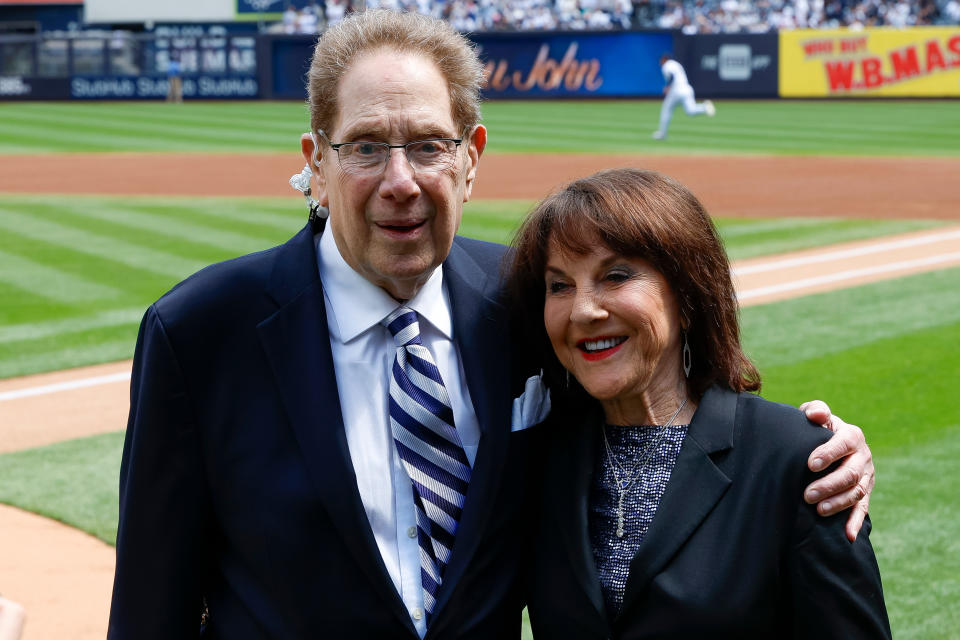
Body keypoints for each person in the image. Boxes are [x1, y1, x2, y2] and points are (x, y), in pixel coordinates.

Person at [109, 10, 873, 639]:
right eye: (366, 147)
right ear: (315, 163)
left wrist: (816, 450)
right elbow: (151, 606)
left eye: (428, 146)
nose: (401, 182)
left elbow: (657, 404)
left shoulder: (524, 306)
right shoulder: (202, 332)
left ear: (471, 157)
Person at [510, 168, 891, 638]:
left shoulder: (799, 458)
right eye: (560, 285)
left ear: (687, 295)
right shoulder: (539, 458)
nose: (584, 310)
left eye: (616, 276)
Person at [652, 53, 714, 140]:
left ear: (664, 59)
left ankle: (662, 133)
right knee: (691, 111)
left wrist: (667, 86)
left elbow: (672, 76)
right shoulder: (677, 64)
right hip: (687, 89)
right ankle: (704, 107)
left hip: (676, 91)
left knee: (666, 109)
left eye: (661, 61)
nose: (660, 63)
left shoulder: (667, 65)